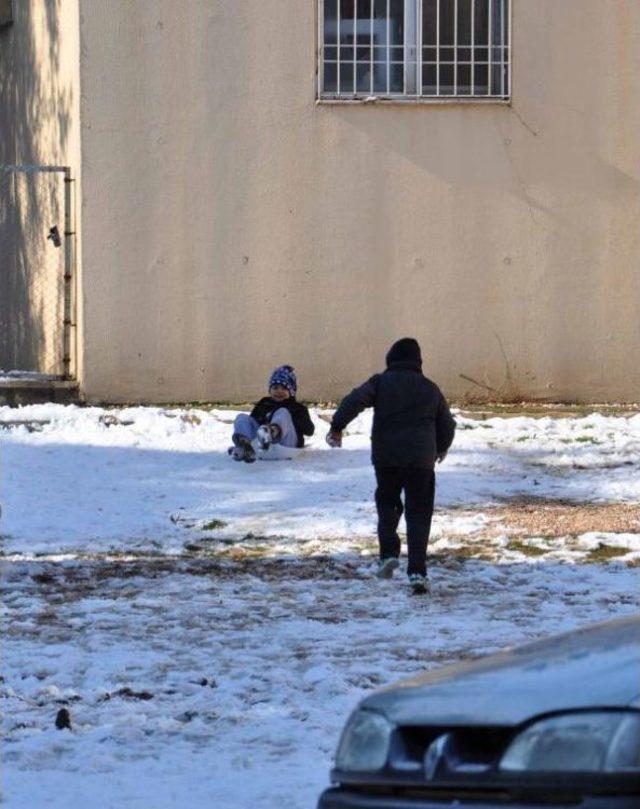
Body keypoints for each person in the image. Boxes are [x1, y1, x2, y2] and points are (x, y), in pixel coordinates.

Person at [327, 338, 455, 594]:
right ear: (418, 362)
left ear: (391, 359)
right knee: (419, 514)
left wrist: (337, 425)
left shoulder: (381, 382)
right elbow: (447, 424)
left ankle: (388, 554)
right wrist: (440, 447)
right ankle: (417, 572)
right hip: (420, 462)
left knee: (387, 502)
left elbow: (355, 399)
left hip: (387, 458)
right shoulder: (430, 388)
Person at [230, 365, 315, 462]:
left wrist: (296, 418)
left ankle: (272, 431)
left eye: (284, 388)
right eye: (275, 387)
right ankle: (244, 445)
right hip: (264, 447)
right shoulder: (264, 403)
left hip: (286, 446)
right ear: (270, 390)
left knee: (283, 412)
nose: (279, 391)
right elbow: (252, 421)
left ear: (291, 392)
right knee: (242, 418)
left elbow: (310, 431)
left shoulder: (297, 407)